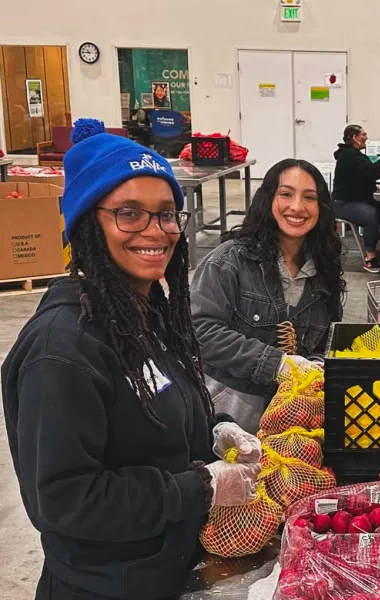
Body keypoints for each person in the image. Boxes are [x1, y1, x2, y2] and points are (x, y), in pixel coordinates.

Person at [1, 119, 261, 600]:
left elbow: (155, 417)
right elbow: (62, 500)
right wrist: (200, 488)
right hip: (104, 586)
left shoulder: (145, 314)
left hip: (166, 571)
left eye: (166, 214)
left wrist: (217, 429)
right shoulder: (62, 350)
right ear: (87, 223)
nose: (155, 231)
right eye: (129, 214)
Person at [192, 159, 346, 433]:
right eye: (285, 194)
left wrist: (317, 366)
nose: (297, 207)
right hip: (224, 418)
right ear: (268, 199)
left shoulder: (325, 272)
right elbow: (200, 331)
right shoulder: (230, 261)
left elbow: (329, 340)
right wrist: (277, 364)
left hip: (292, 425)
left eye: (309, 197)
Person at [332, 124, 380, 273]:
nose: (366, 138)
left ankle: (377, 244)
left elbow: (362, 177)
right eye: (363, 135)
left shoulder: (353, 155)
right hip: (342, 204)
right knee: (370, 217)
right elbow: (371, 172)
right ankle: (370, 257)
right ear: (354, 137)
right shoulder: (349, 156)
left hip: (353, 199)